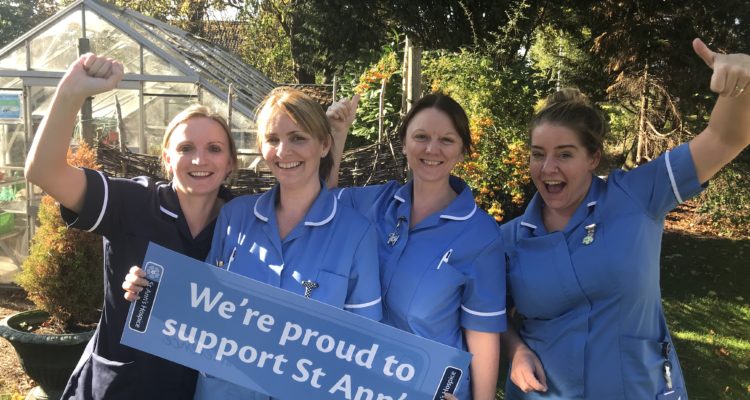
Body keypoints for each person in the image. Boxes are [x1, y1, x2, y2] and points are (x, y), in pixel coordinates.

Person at [500, 38, 750, 399]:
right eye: (538, 154)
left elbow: (725, 138)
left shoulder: (636, 196)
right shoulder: (510, 239)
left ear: (593, 158)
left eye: (565, 154)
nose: (548, 168)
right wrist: (516, 350)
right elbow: (491, 315)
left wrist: (741, 82)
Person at [124, 87, 383, 399]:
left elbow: (366, 344)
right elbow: (201, 305)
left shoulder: (355, 234)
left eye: (298, 138)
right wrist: (148, 287)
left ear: (325, 144)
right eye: (273, 139)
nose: (283, 151)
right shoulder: (235, 216)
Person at [24, 54, 237, 399]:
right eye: (185, 148)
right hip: (124, 388)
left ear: (230, 162)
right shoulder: (134, 201)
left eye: (214, 148)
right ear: (166, 158)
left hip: (202, 389)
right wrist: (71, 92)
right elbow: (43, 172)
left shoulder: (243, 222)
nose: (200, 160)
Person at [328, 93, 506, 400]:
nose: (432, 149)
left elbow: (482, 331)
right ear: (404, 144)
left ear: (462, 150)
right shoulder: (375, 203)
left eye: (446, 140)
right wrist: (337, 134)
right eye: (421, 137)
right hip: (360, 383)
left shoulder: (480, 233)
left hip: (430, 389)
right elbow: (321, 205)